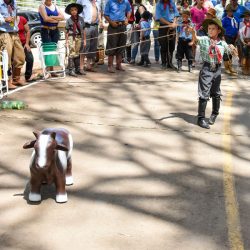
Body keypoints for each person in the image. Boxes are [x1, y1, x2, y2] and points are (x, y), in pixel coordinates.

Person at [191, 18, 238, 129]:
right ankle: (201, 118)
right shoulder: (204, 39)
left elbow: (233, 54)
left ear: (218, 31)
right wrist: (193, 32)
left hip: (217, 70)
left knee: (216, 92)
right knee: (204, 93)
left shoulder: (222, 44)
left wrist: (233, 49)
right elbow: (196, 39)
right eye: (209, 28)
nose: (210, 31)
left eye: (213, 29)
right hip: (207, 68)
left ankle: (214, 113)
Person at [0, 0, 25, 89]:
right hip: (4, 33)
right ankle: (5, 82)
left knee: (20, 56)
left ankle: (16, 79)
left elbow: (15, 15)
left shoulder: (14, 3)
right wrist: (4, 19)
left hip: (14, 32)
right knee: (6, 58)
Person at [104, 0, 131, 73]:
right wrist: (111, 22)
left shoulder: (126, 2)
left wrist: (127, 19)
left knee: (121, 46)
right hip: (113, 26)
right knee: (111, 46)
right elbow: (105, 14)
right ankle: (110, 66)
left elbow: (129, 10)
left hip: (123, 26)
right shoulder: (110, 2)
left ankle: (119, 65)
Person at [77, 0, 102, 72]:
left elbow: (99, 12)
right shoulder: (81, 0)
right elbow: (76, 11)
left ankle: (88, 65)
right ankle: (81, 67)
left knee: (93, 46)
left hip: (95, 26)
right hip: (85, 25)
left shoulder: (98, 1)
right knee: (84, 46)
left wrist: (100, 22)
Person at [155, 0, 179, 70]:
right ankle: (163, 63)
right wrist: (169, 24)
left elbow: (176, 14)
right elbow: (159, 17)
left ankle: (170, 63)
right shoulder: (159, 4)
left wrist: (174, 23)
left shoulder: (172, 2)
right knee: (163, 45)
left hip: (172, 26)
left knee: (172, 45)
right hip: (163, 26)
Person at [65, 3, 86, 77]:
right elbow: (67, 32)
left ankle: (77, 69)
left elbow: (83, 30)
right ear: (70, 12)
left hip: (79, 37)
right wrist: (66, 41)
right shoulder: (69, 20)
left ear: (77, 11)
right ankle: (71, 70)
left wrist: (85, 40)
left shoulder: (81, 19)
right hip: (71, 37)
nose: (74, 11)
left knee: (77, 52)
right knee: (72, 52)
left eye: (75, 10)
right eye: (72, 10)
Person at [222, 4, 240, 75]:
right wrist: (223, 38)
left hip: (234, 37)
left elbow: (237, 29)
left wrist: (237, 37)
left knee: (231, 52)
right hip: (227, 37)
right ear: (226, 12)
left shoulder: (236, 19)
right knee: (226, 52)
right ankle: (226, 67)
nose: (230, 13)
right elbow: (222, 29)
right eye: (229, 11)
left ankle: (230, 66)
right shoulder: (224, 20)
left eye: (232, 11)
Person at [239, 9, 250, 75]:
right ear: (244, 16)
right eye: (245, 16)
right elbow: (240, 33)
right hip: (243, 40)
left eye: (248, 16)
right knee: (244, 53)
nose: (247, 17)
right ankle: (244, 69)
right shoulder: (241, 23)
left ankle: (249, 68)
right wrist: (243, 42)